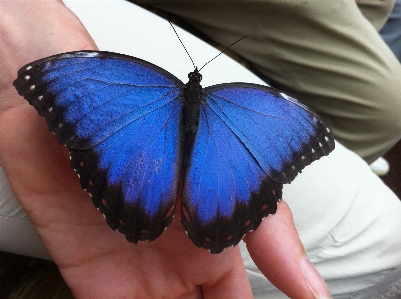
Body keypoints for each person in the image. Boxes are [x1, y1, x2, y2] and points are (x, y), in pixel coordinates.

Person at [0, 1, 400, 298]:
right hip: (205, 148)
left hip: (145, 143)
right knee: (382, 239)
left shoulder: (145, 83)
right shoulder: (244, 102)